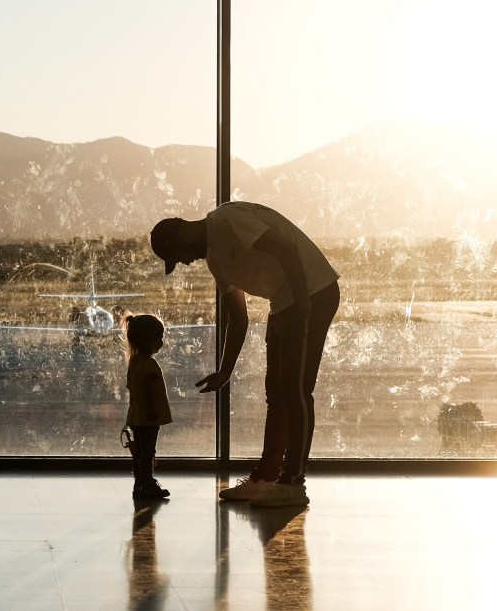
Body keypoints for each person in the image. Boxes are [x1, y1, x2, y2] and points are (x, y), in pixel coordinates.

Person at [150, 201, 340, 507]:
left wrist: (303, 303)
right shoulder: (216, 261)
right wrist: (225, 371)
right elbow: (238, 318)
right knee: (276, 393)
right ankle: (265, 479)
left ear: (181, 237)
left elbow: (286, 248)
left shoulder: (227, 219)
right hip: (284, 301)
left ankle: (293, 482)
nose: (185, 263)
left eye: (178, 257)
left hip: (312, 292)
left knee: (296, 389)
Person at [122, 313, 172, 500]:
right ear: (149, 340)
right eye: (159, 337)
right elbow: (149, 390)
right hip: (148, 418)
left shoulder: (134, 364)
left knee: (140, 451)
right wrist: (151, 411)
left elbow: (133, 390)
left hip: (136, 416)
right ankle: (148, 482)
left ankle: (139, 483)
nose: (162, 341)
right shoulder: (150, 365)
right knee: (148, 450)